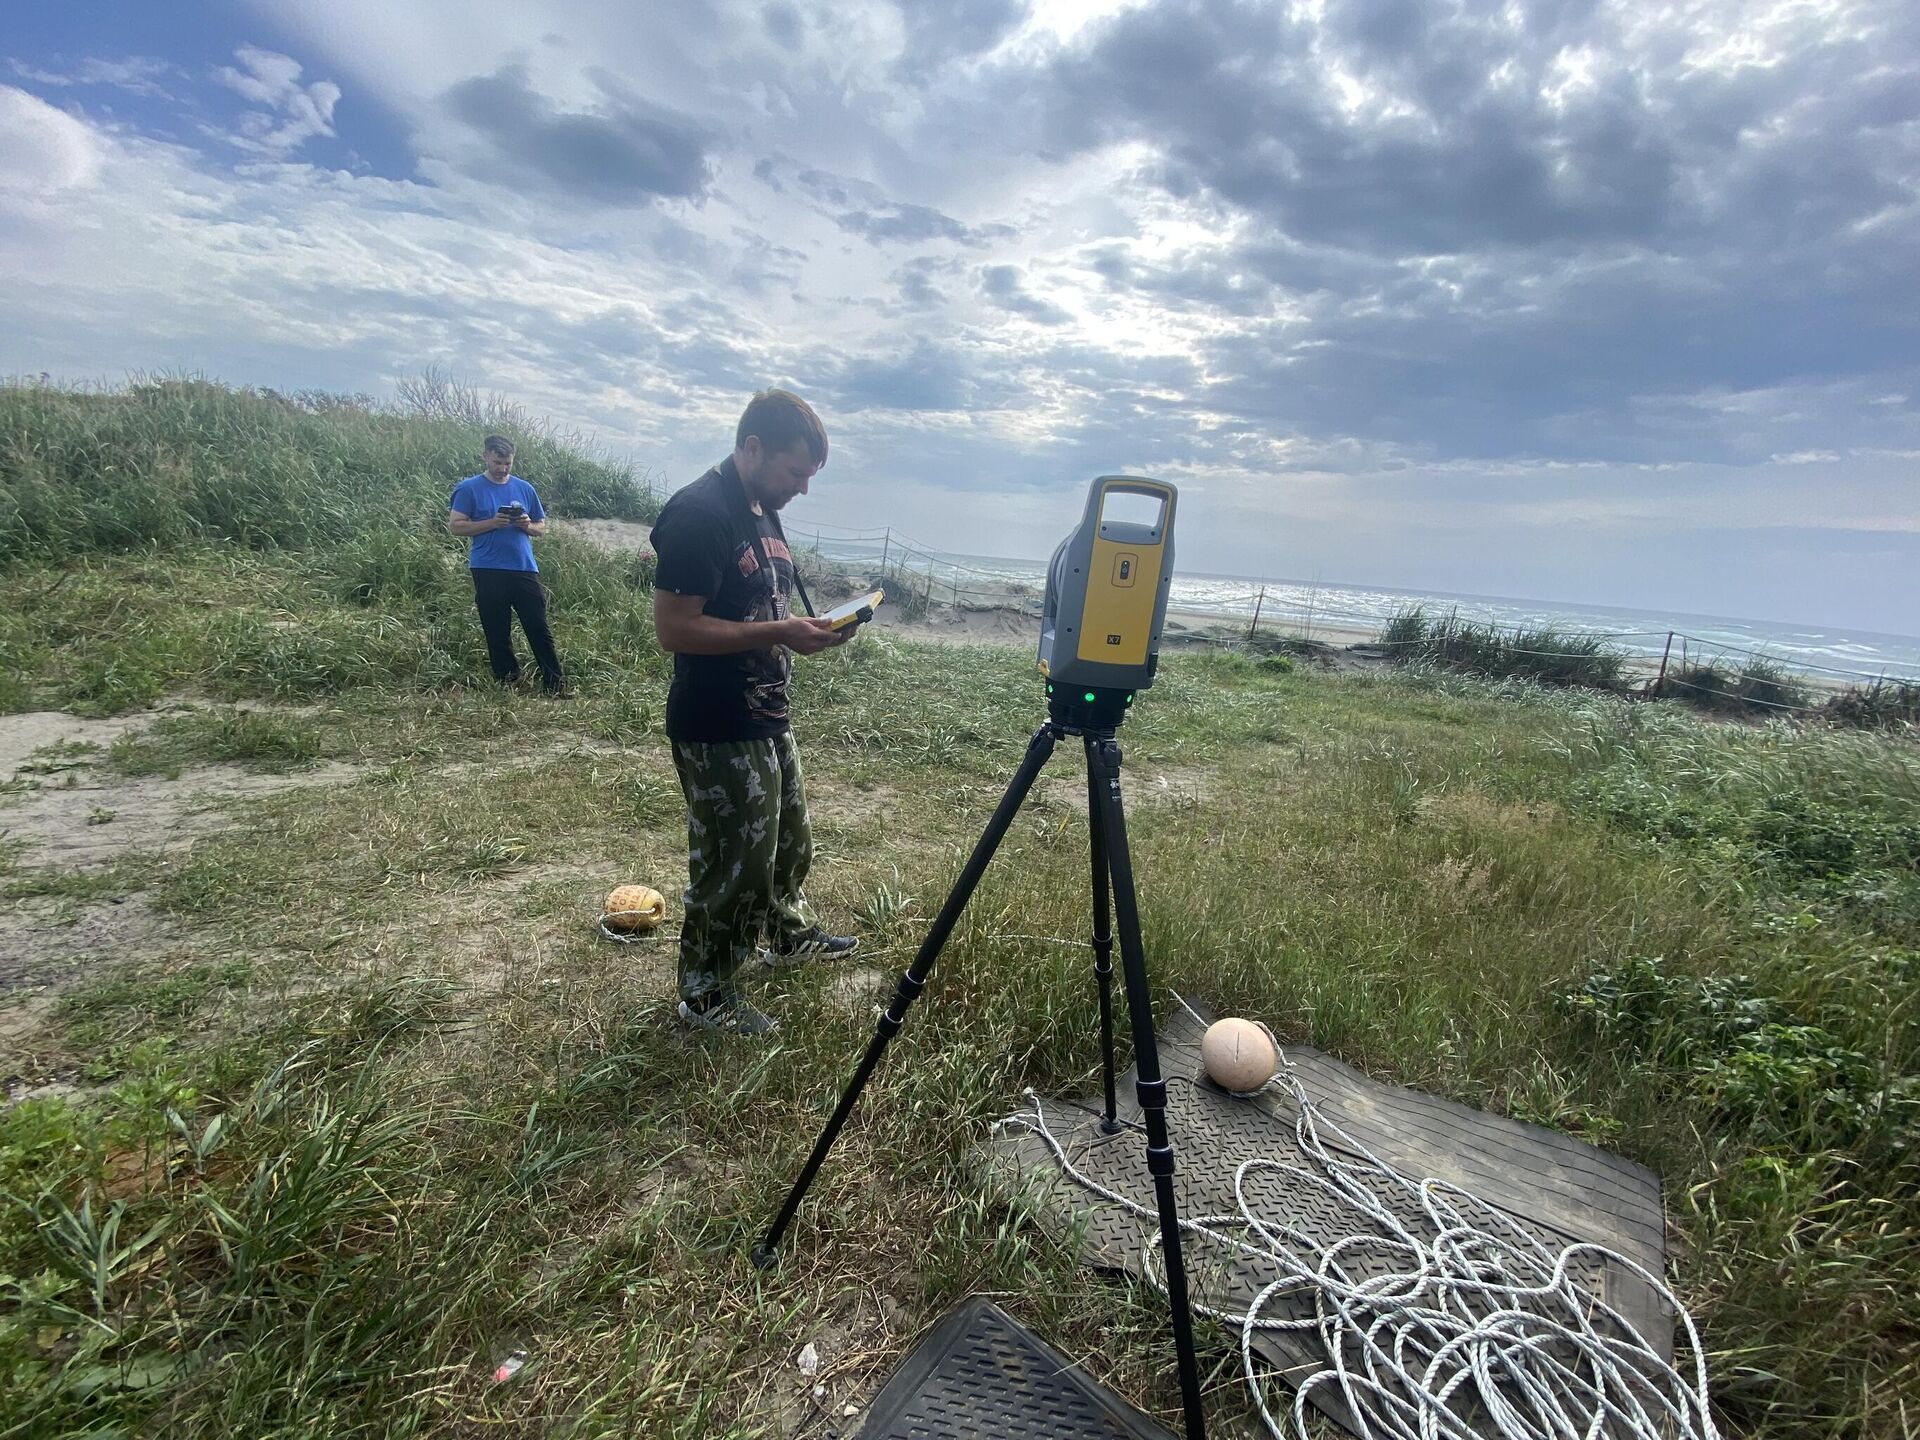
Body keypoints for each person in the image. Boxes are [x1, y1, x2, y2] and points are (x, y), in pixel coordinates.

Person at [651, 389, 858, 1035]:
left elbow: (762, 607)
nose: (802, 487)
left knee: (789, 844)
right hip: (716, 723)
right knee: (731, 865)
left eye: (810, 476)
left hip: (767, 711)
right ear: (752, 448)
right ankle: (705, 995)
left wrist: (812, 630)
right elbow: (675, 629)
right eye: (796, 471)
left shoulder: (762, 507)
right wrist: (780, 633)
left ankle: (788, 937)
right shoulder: (697, 513)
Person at [448, 436, 569, 696]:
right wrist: (491, 523)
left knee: (538, 626)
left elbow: (541, 526)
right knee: (496, 628)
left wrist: (527, 526)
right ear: (485, 457)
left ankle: (555, 683)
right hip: (487, 567)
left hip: (523, 567)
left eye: (507, 463)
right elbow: (456, 525)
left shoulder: (525, 488)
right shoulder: (468, 488)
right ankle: (509, 682)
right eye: (498, 462)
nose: (503, 468)